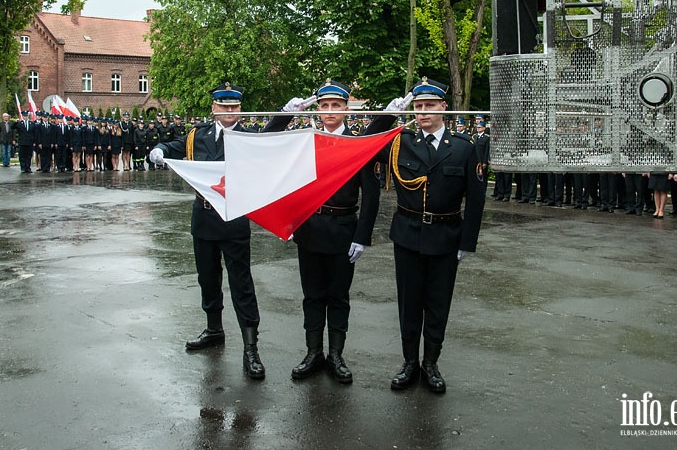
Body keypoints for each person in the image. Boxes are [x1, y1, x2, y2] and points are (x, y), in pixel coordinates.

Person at [148, 83, 286, 381]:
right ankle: (214, 329)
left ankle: (251, 348)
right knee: (207, 279)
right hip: (204, 218)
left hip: (234, 219)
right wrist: (159, 149)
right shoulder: (198, 135)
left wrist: (286, 113)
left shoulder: (247, 136)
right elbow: (175, 147)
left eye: (234, 107)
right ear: (214, 108)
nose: (229, 112)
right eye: (224, 107)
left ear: (240, 108)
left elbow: (271, 137)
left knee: (242, 284)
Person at [375, 77, 484, 394]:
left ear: (443, 108)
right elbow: (365, 143)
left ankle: (431, 362)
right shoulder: (401, 142)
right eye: (418, 106)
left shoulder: (464, 148)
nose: (423, 112)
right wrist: (387, 115)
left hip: (445, 237)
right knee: (409, 303)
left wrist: (467, 242)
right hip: (408, 235)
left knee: (438, 303)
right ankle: (409, 362)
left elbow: (476, 200)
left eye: (429, 106)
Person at [272, 80, 381, 383]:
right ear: (317, 110)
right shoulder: (306, 141)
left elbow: (371, 195)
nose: (330, 111)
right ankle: (312, 352)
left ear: (346, 109)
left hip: (343, 228)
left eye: (336, 105)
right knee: (312, 295)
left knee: (338, 296)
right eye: (324, 106)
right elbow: (286, 181)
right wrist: (290, 221)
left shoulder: (358, 144)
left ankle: (336, 354)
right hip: (310, 227)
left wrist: (362, 235)